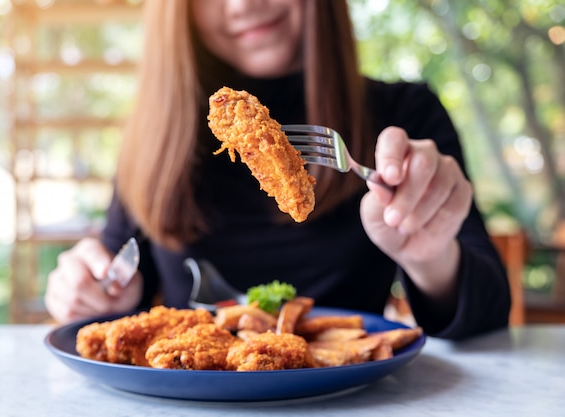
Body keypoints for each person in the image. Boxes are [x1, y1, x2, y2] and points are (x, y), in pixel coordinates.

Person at [44, 0, 511, 340]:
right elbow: (121, 272)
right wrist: (95, 290)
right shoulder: (156, 137)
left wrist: (428, 254)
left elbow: (490, 314)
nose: (243, 4)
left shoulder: (405, 115)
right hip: (187, 392)